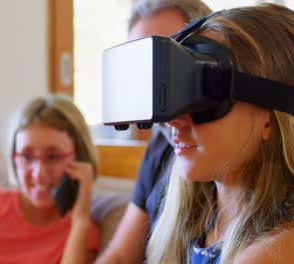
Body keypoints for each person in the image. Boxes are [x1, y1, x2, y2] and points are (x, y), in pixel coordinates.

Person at [144, 4, 294, 263]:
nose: (175, 121)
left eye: (203, 98)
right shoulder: (199, 228)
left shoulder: (288, 247)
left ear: (269, 120)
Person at [95, 0, 212, 263]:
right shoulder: (160, 148)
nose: (152, 77)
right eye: (140, 65)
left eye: (164, 59)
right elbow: (120, 257)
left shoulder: (224, 149)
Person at [0, 94, 99, 263]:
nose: (39, 174)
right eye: (27, 157)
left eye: (53, 157)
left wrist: (80, 219)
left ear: (79, 159)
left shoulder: (81, 231)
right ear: (14, 158)